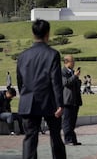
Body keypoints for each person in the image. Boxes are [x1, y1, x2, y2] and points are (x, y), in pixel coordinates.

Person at [16, 19, 66, 159]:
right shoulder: (52, 54)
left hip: (28, 101)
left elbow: (20, 81)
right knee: (55, 138)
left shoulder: (22, 56)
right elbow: (55, 81)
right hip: (49, 101)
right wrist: (59, 104)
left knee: (30, 139)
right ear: (47, 34)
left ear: (33, 33)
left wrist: (25, 96)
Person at [62, 55, 83, 146]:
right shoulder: (62, 72)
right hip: (67, 100)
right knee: (67, 121)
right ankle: (68, 140)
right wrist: (74, 76)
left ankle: (73, 139)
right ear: (67, 62)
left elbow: (75, 83)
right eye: (72, 61)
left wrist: (77, 79)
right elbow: (65, 83)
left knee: (73, 122)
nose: (74, 63)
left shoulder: (73, 72)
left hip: (75, 100)